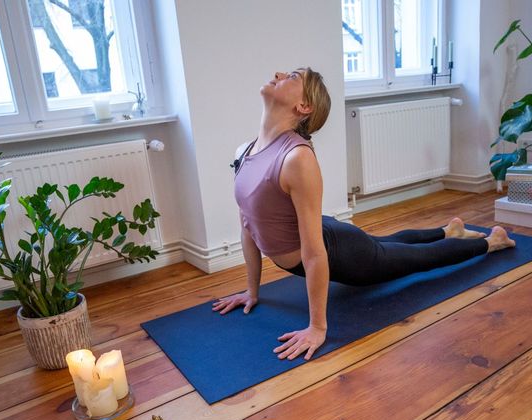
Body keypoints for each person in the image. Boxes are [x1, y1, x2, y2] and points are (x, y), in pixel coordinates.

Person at [213, 67, 515, 361]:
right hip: (332, 235)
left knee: (415, 260)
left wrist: (317, 327)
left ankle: (492, 242)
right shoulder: (245, 151)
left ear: (303, 106)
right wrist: (251, 292)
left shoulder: (296, 158)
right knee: (387, 243)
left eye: (292, 77)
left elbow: (315, 254)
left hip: (345, 254)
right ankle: (448, 231)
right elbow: (248, 225)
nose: (278, 74)